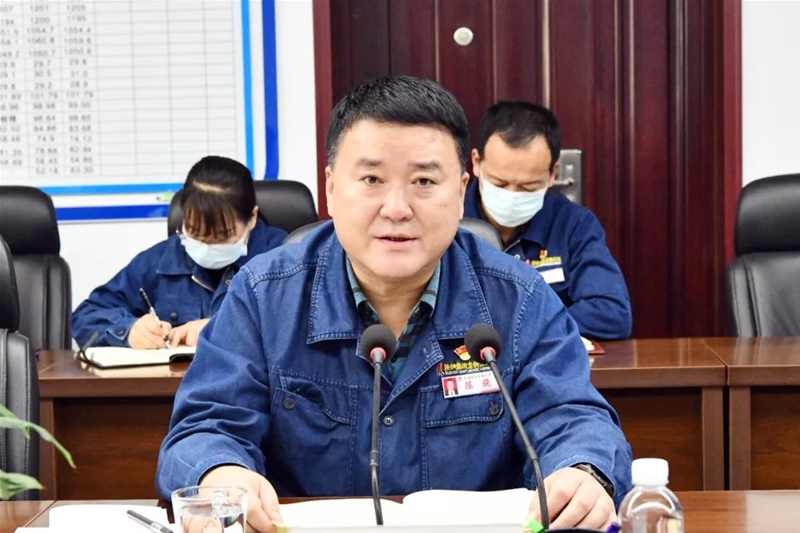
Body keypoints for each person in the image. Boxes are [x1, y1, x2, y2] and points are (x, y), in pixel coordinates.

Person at [156, 77, 632, 532]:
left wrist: (582, 471)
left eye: (424, 181)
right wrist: (219, 473)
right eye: (372, 179)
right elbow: (205, 427)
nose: (397, 208)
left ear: (461, 191)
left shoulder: (520, 298)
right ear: (331, 188)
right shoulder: (263, 296)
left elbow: (574, 419)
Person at [71, 156, 288, 349]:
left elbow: (299, 328)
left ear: (252, 218)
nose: (205, 245)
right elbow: (86, 315)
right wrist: (129, 330)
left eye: (221, 235)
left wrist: (225, 328)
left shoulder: (283, 258)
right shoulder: (161, 260)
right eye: (195, 232)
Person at [464, 101, 632, 340]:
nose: (512, 195)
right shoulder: (446, 220)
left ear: (553, 173)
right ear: (476, 162)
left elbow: (612, 314)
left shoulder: (574, 225)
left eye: (528, 186)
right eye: (500, 183)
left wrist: (522, 327)